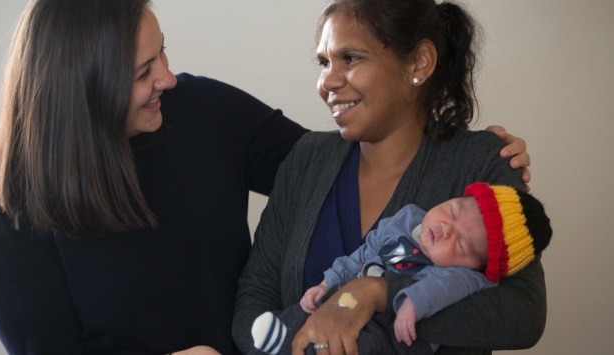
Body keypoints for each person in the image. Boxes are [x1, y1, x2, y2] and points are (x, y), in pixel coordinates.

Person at [0, 0, 530, 354]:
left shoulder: (204, 112)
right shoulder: (13, 202)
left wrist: (376, 295)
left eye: (162, 53)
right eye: (144, 71)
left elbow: (335, 160)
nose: (168, 77)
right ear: (83, 88)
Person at [232, 1, 546, 355]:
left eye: (350, 58)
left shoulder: (481, 162)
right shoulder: (307, 157)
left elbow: (524, 314)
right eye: (324, 62)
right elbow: (254, 299)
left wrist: (376, 293)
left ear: (419, 62)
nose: (327, 82)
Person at [250, 183, 552, 355]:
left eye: (461, 244)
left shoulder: (464, 276)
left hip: (394, 339)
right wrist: (328, 283)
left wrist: (411, 304)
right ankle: (282, 339)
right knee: (310, 308)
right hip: (346, 304)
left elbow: (440, 289)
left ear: (477, 266)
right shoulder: (406, 220)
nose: (446, 229)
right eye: (453, 210)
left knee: (367, 343)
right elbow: (364, 252)